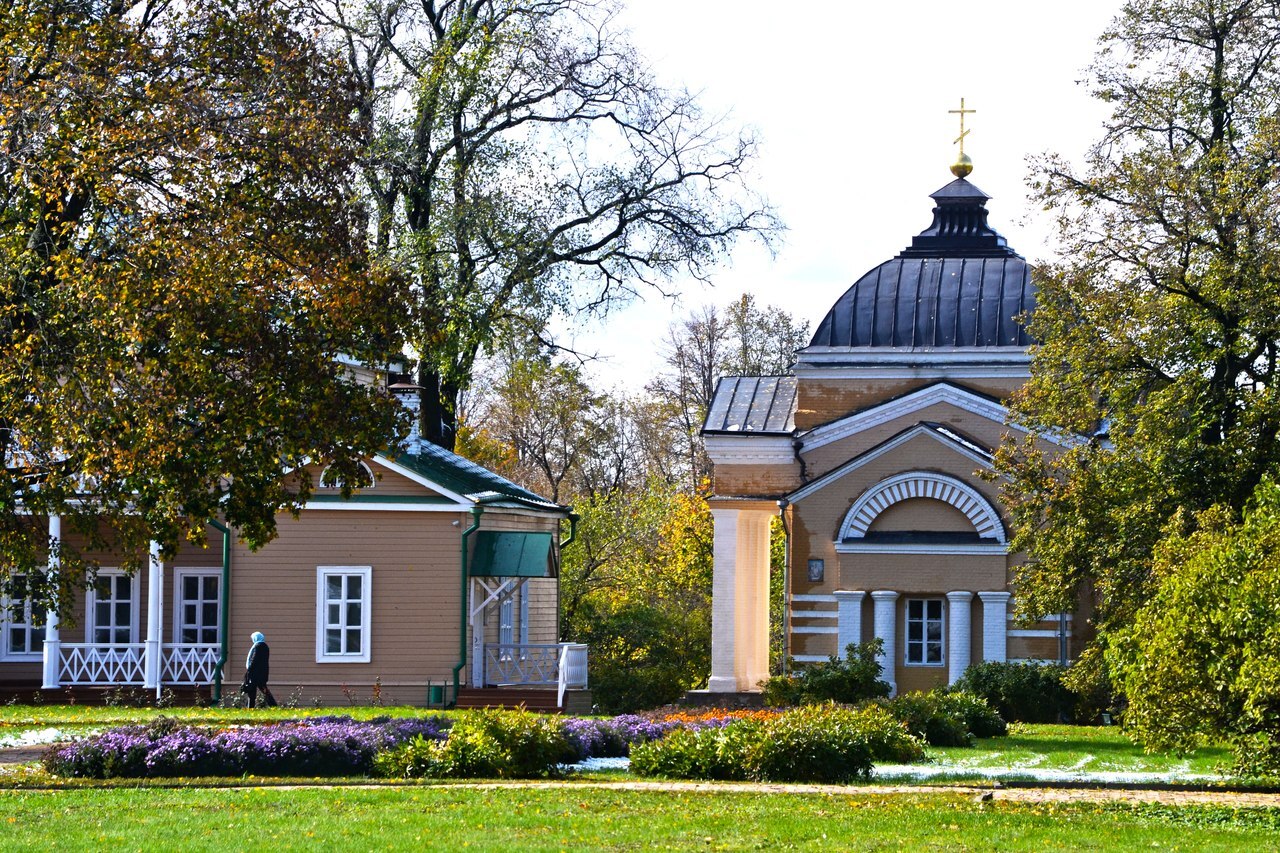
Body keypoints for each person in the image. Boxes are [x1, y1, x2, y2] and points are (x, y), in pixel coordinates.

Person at [241, 631, 276, 708]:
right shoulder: (265, 646)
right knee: (261, 690)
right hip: (262, 673)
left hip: (255, 674)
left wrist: (249, 669)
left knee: (254, 691)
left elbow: (254, 660)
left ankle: (272, 705)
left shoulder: (258, 646)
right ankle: (272, 705)